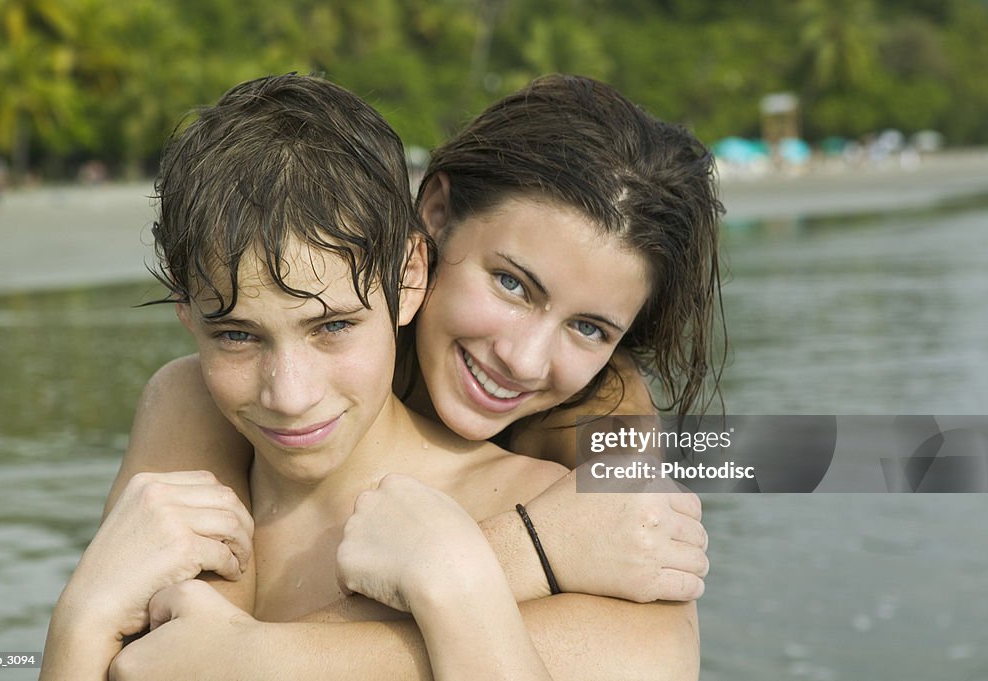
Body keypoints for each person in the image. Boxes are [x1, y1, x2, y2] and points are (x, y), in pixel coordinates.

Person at [84, 73, 722, 679]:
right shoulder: (237, 368)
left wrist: (508, 551)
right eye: (511, 284)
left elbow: (663, 651)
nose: (523, 360)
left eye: (590, 328)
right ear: (433, 221)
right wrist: (522, 553)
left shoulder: (601, 407)